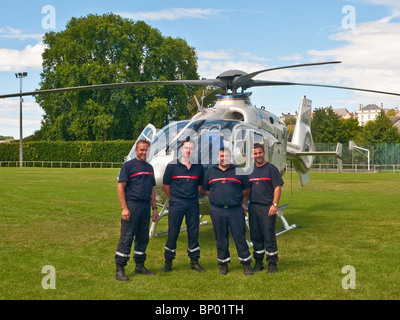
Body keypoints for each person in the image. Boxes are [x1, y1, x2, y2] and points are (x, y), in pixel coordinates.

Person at [203, 147, 253, 275]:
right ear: (217, 158)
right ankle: (223, 264)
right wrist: (218, 198)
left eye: (226, 156)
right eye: (221, 156)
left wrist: (242, 203)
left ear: (230, 157)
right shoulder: (210, 172)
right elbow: (207, 190)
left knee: (240, 237)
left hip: (235, 210)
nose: (223, 158)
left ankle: (246, 263)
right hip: (217, 210)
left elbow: (246, 190)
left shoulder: (239, 171)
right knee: (220, 238)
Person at [114, 139, 159, 281]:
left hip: (145, 207)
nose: (144, 152)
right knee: (127, 237)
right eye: (141, 150)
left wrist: (155, 208)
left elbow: (152, 190)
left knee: (143, 237)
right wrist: (124, 208)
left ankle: (139, 265)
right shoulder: (128, 166)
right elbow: (120, 187)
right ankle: (120, 269)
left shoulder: (149, 167)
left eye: (146, 150)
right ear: (136, 150)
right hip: (132, 206)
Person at [161, 140, 205, 273]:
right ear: (181, 149)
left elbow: (200, 186)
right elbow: (165, 186)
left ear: (194, 150)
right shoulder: (172, 166)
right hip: (177, 203)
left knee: (193, 232)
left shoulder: (198, 167)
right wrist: (174, 198)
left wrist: (190, 196)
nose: (188, 150)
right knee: (173, 232)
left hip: (192, 203)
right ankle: (168, 262)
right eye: (186, 148)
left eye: (191, 148)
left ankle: (194, 261)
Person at [246, 143, 284, 274]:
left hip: (268, 208)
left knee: (268, 236)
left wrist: (274, 205)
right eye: (255, 153)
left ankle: (272, 263)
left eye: (260, 153)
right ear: (252, 155)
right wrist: (244, 204)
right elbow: (247, 191)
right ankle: (258, 262)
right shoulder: (250, 171)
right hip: (253, 207)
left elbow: (277, 187)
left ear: (264, 153)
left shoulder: (271, 169)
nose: (258, 156)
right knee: (255, 235)